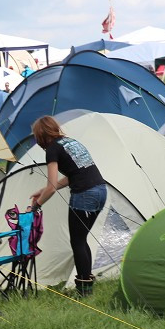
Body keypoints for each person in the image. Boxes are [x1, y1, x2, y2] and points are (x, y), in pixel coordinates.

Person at [28, 116, 107, 297]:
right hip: (101, 190)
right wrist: (43, 190)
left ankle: (83, 291)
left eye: (36, 137)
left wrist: (35, 207)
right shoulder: (71, 142)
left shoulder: (52, 149)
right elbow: (74, 174)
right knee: (82, 238)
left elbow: (52, 186)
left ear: (41, 135)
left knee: (77, 241)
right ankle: (87, 285)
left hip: (84, 194)